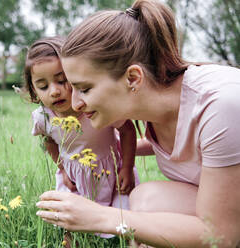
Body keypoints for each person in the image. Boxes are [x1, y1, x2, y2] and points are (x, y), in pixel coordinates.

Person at [35, 0, 240, 247]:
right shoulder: (156, 101)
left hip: (228, 229)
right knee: (146, 199)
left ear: (133, 78)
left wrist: (101, 217)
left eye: (85, 88)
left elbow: (223, 236)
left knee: (145, 209)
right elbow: (190, 144)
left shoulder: (222, 105)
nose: (75, 103)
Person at [24, 37, 140, 239]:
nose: (54, 91)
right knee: (69, 221)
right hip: (74, 179)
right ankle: (74, 240)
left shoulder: (94, 107)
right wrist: (62, 168)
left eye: (62, 81)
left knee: (125, 218)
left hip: (111, 175)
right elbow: (48, 140)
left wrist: (127, 167)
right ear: (34, 90)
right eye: (43, 86)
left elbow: (128, 129)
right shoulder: (43, 117)